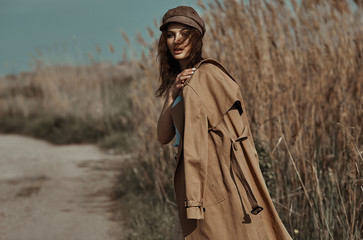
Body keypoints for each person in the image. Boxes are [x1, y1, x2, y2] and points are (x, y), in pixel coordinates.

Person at [156, 6, 292, 240]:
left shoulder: (208, 76)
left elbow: (236, 139)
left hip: (211, 190)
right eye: (170, 34)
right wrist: (171, 94)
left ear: (197, 37)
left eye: (184, 34)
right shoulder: (183, 82)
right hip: (194, 187)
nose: (176, 40)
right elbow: (163, 136)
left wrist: (197, 199)